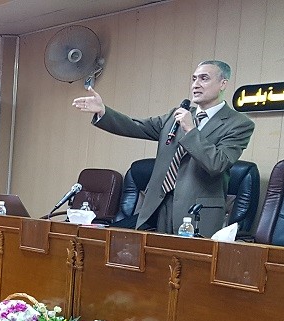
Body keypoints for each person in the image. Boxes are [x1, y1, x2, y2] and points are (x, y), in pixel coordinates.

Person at [72, 60, 254, 234]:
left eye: (204, 78)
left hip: (197, 211)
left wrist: (191, 130)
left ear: (223, 84)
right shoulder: (176, 116)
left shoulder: (238, 124)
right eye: (194, 79)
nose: (196, 85)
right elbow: (136, 126)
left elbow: (217, 163)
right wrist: (103, 111)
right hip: (158, 205)